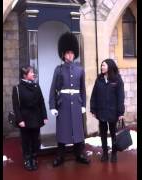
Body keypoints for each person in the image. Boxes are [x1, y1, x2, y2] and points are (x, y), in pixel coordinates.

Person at [49, 32, 90, 167]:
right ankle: (60, 156)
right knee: (63, 131)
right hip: (63, 104)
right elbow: (53, 88)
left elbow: (83, 89)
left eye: (72, 53)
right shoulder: (58, 69)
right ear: (63, 54)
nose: (70, 56)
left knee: (78, 131)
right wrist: (53, 106)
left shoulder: (80, 69)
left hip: (76, 104)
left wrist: (83, 104)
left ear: (74, 54)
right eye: (67, 53)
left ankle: (79, 154)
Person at [12, 66, 48, 171]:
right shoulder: (17, 88)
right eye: (31, 72)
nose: (33, 74)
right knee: (26, 141)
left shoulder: (36, 86)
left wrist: (44, 116)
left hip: (36, 118)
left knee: (35, 140)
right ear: (25, 75)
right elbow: (16, 107)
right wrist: (20, 120)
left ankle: (34, 158)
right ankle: (27, 159)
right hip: (25, 120)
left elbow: (41, 102)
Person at [90, 59, 125, 163]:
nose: (102, 68)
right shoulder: (99, 79)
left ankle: (114, 153)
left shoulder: (117, 79)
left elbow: (120, 97)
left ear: (109, 66)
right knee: (103, 133)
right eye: (101, 66)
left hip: (113, 112)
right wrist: (93, 108)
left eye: (104, 66)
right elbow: (94, 95)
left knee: (114, 133)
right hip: (101, 112)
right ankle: (105, 153)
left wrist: (120, 112)